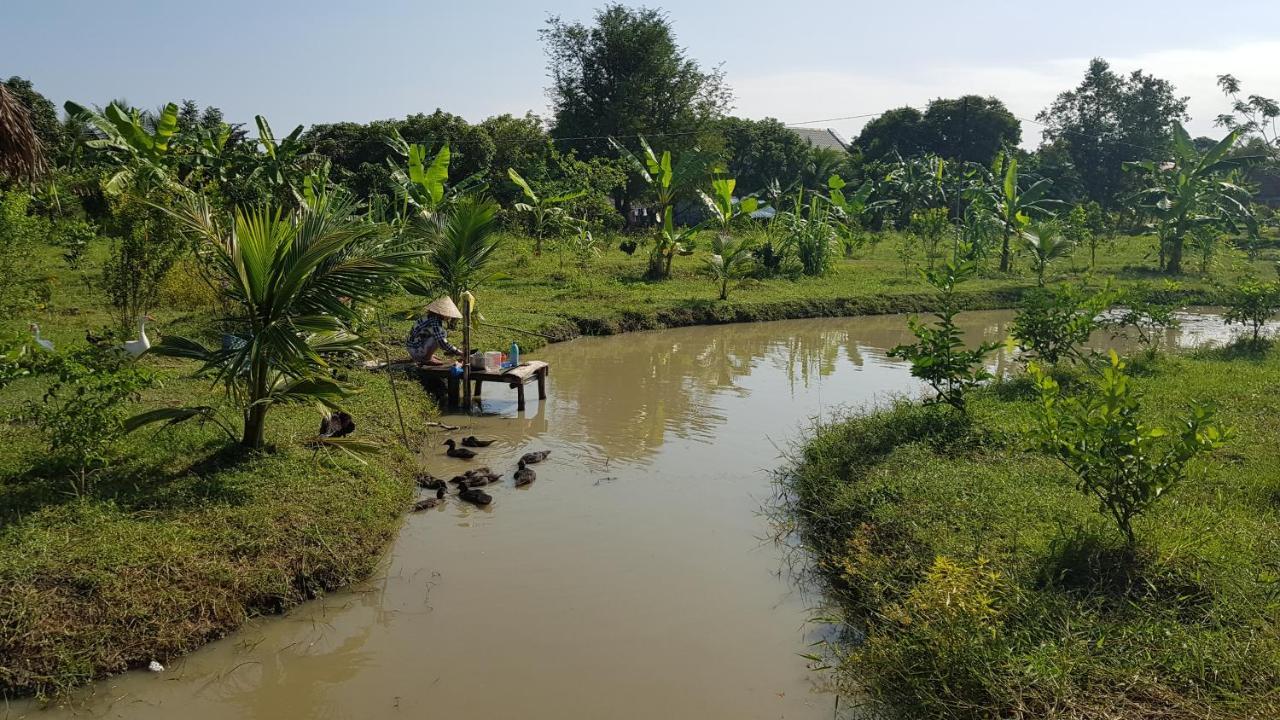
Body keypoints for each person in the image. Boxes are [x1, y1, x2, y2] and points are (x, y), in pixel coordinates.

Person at [407, 296, 464, 365]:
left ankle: (427, 355)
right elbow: (442, 342)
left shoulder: (431, 317)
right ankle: (427, 359)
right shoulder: (434, 322)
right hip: (415, 349)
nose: (450, 317)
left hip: (414, 346)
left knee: (442, 332)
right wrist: (458, 352)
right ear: (442, 313)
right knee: (440, 335)